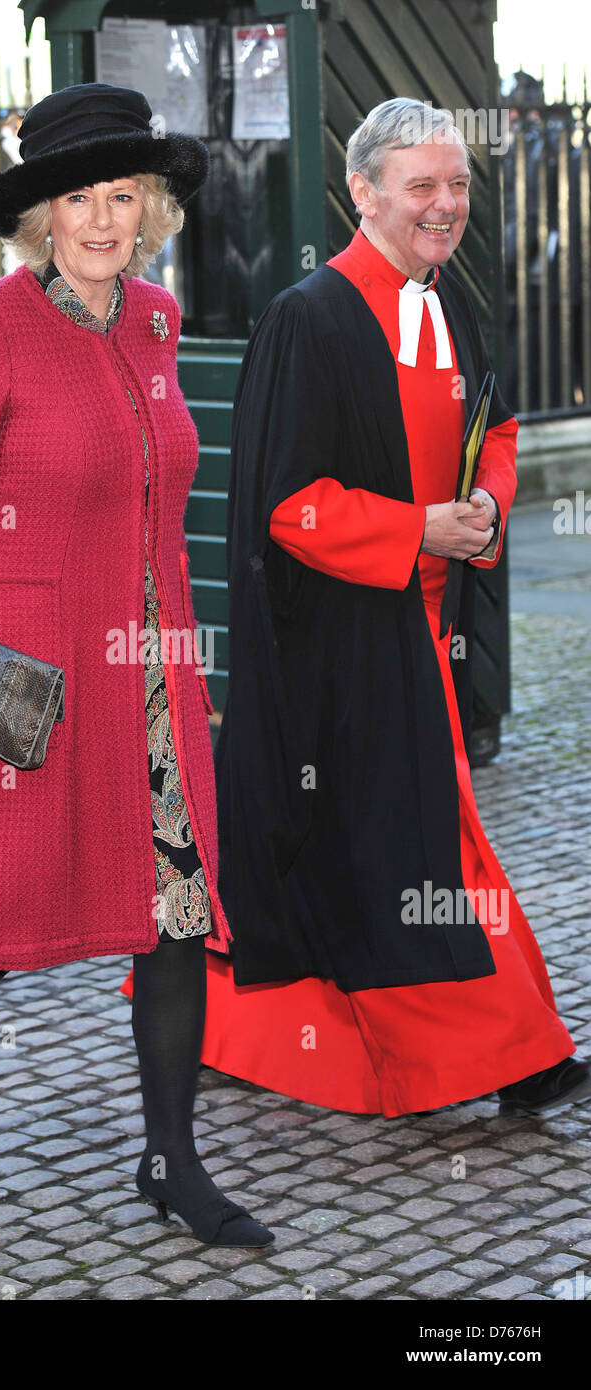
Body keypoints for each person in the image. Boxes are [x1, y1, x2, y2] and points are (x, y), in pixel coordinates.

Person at [0, 81, 273, 1247]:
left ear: (151, 210)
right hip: (33, 679)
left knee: (175, 913)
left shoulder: (154, 315)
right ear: (43, 215)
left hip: (148, 671)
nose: (102, 219)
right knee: (3, 907)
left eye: (123, 195)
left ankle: (168, 1158)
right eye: (79, 198)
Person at [197, 97, 589, 1120]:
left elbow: (496, 430)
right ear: (363, 193)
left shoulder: (452, 299)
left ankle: (238, 1031)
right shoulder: (307, 318)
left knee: (381, 842)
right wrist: (419, 530)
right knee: (409, 844)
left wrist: (488, 506)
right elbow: (288, 505)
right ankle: (509, 1053)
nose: (445, 204)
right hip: (337, 637)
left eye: (457, 184)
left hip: (422, 629)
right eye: (422, 185)